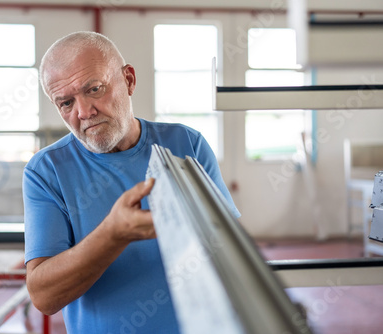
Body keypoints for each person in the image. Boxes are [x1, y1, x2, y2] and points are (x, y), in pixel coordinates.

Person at [23, 31, 240, 334]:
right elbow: (44, 297)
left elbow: (231, 254)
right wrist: (113, 235)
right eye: (66, 103)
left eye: (95, 89)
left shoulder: (186, 144)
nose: (84, 112)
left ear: (129, 80)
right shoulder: (47, 171)